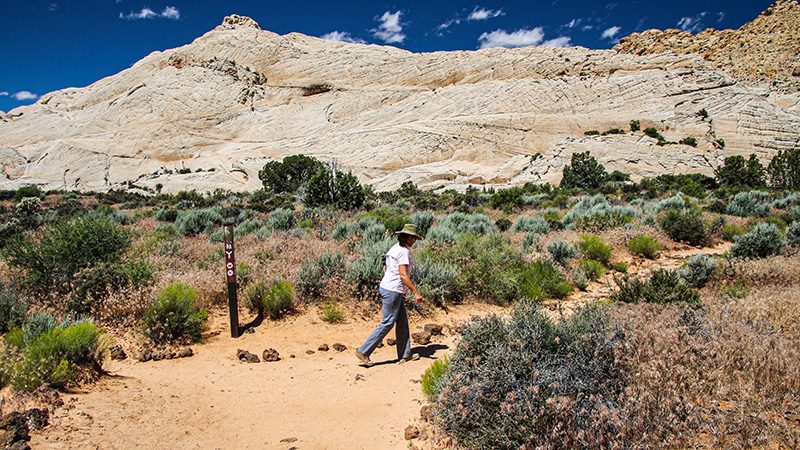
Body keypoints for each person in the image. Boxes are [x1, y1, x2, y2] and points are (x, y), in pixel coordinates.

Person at [355, 223, 423, 366]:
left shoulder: (395, 248)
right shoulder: (403, 251)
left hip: (390, 288)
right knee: (388, 322)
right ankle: (364, 351)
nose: (415, 241)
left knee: (402, 323)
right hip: (393, 290)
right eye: (414, 238)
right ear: (409, 237)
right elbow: (403, 275)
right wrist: (415, 292)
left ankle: (405, 354)